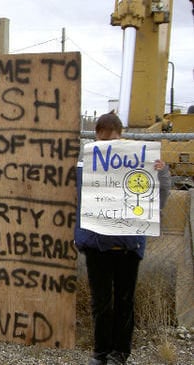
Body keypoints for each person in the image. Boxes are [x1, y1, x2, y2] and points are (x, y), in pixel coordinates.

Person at [74, 111, 171, 365]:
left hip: (129, 245)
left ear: (121, 136)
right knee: (101, 303)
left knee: (125, 301)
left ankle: (121, 353)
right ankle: (101, 352)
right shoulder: (87, 163)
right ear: (96, 137)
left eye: (113, 139)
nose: (108, 145)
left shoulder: (141, 162)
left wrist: (161, 172)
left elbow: (159, 199)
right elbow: (78, 198)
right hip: (97, 245)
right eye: (104, 140)